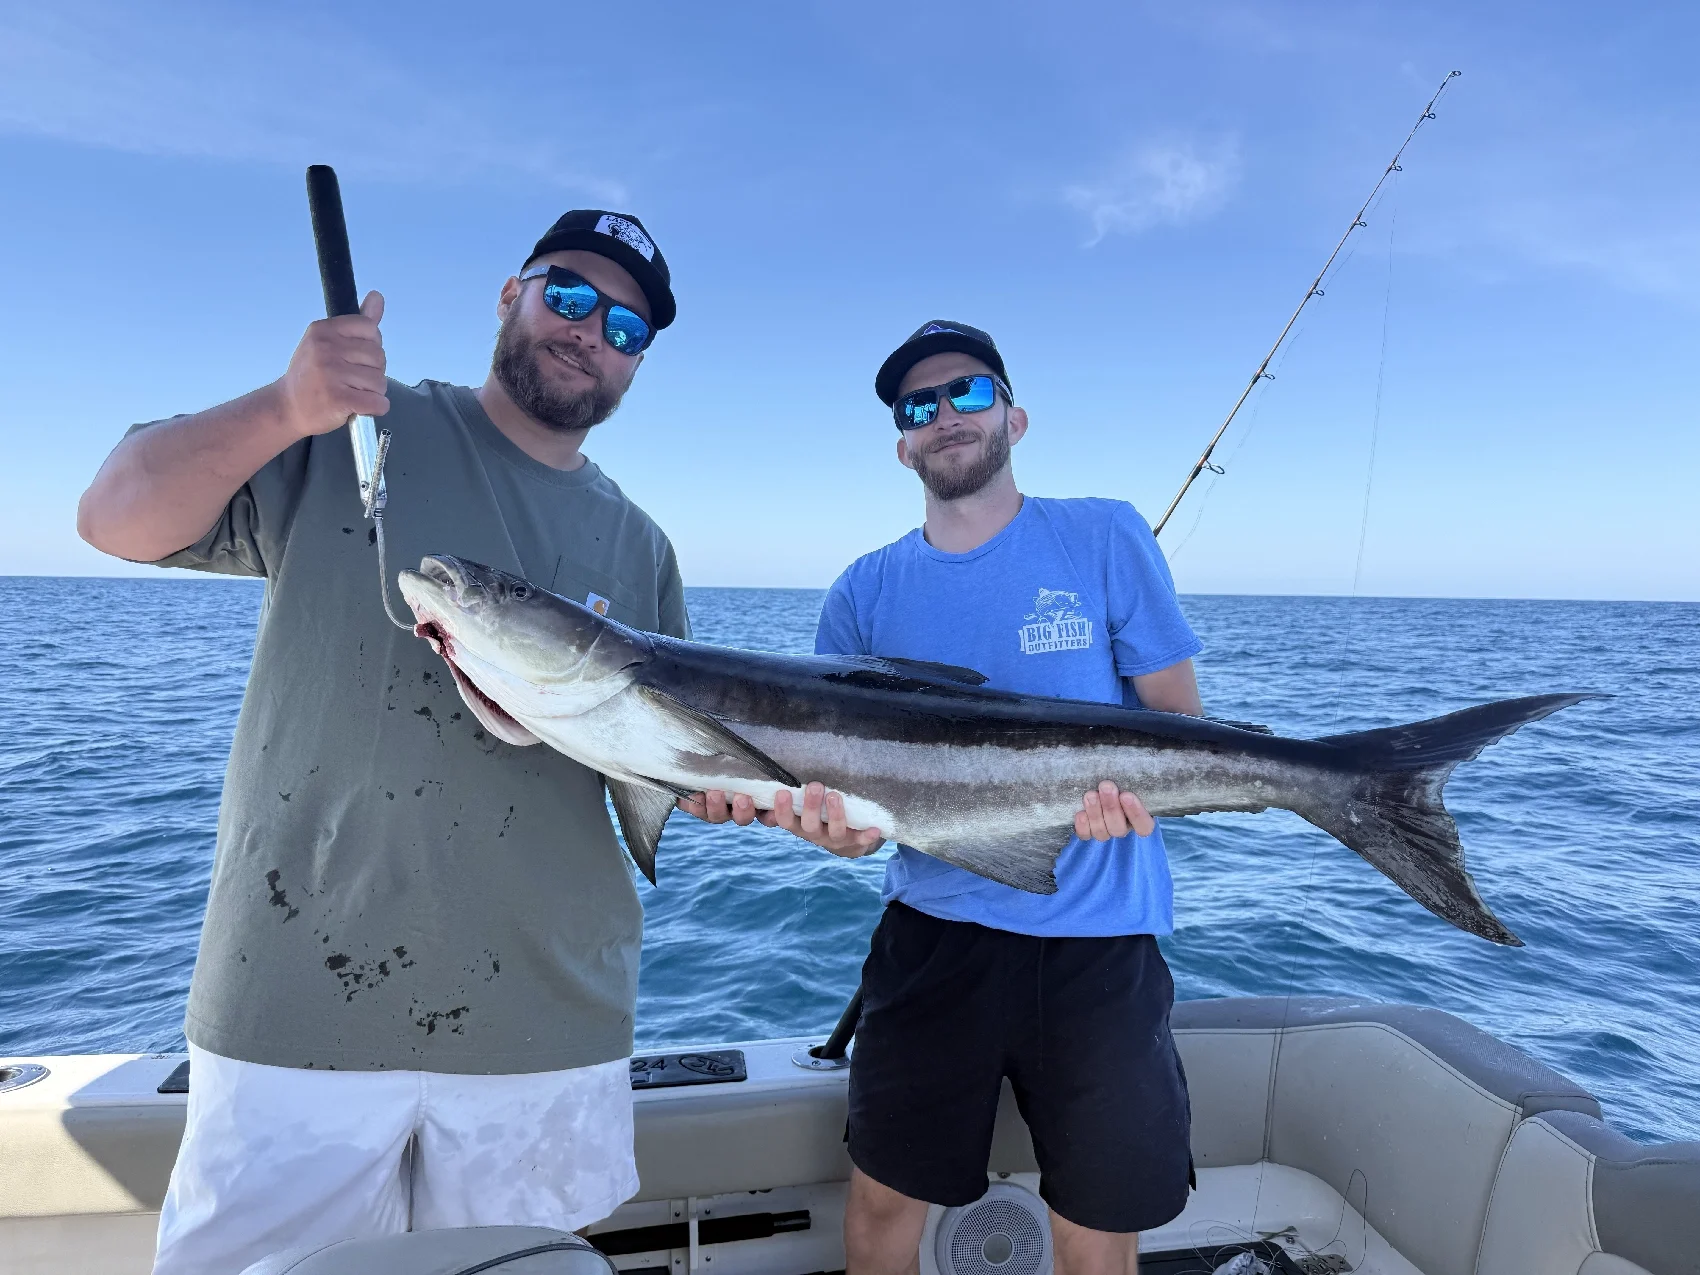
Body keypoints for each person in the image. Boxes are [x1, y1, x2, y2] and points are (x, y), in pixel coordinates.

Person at [77, 210, 687, 1274]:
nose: (592, 331)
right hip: (296, 1004)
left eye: (625, 327)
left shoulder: (642, 548)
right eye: (571, 296)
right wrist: (284, 404)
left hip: (549, 1019)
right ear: (511, 293)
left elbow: (664, 761)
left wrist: (761, 797)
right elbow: (113, 515)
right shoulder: (356, 430)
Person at [685, 321, 1202, 1275]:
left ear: (1014, 413)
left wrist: (1138, 803)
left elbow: (1177, 722)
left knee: (1098, 1225)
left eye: (966, 391)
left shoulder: (1105, 533)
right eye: (917, 406)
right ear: (902, 444)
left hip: (1099, 945)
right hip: (933, 938)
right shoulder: (862, 591)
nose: (944, 416)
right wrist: (826, 832)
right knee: (884, 1202)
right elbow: (849, 821)